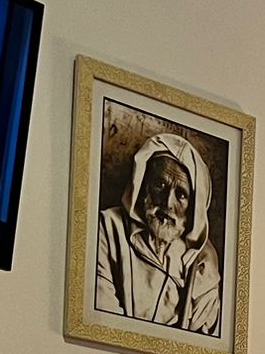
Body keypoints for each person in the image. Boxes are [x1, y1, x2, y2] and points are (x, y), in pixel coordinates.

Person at [94, 131, 222, 333]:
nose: (168, 202)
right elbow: (101, 314)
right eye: (160, 185)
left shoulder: (203, 259)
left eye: (181, 195)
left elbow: (203, 336)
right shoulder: (108, 227)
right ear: (144, 185)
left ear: (193, 207)